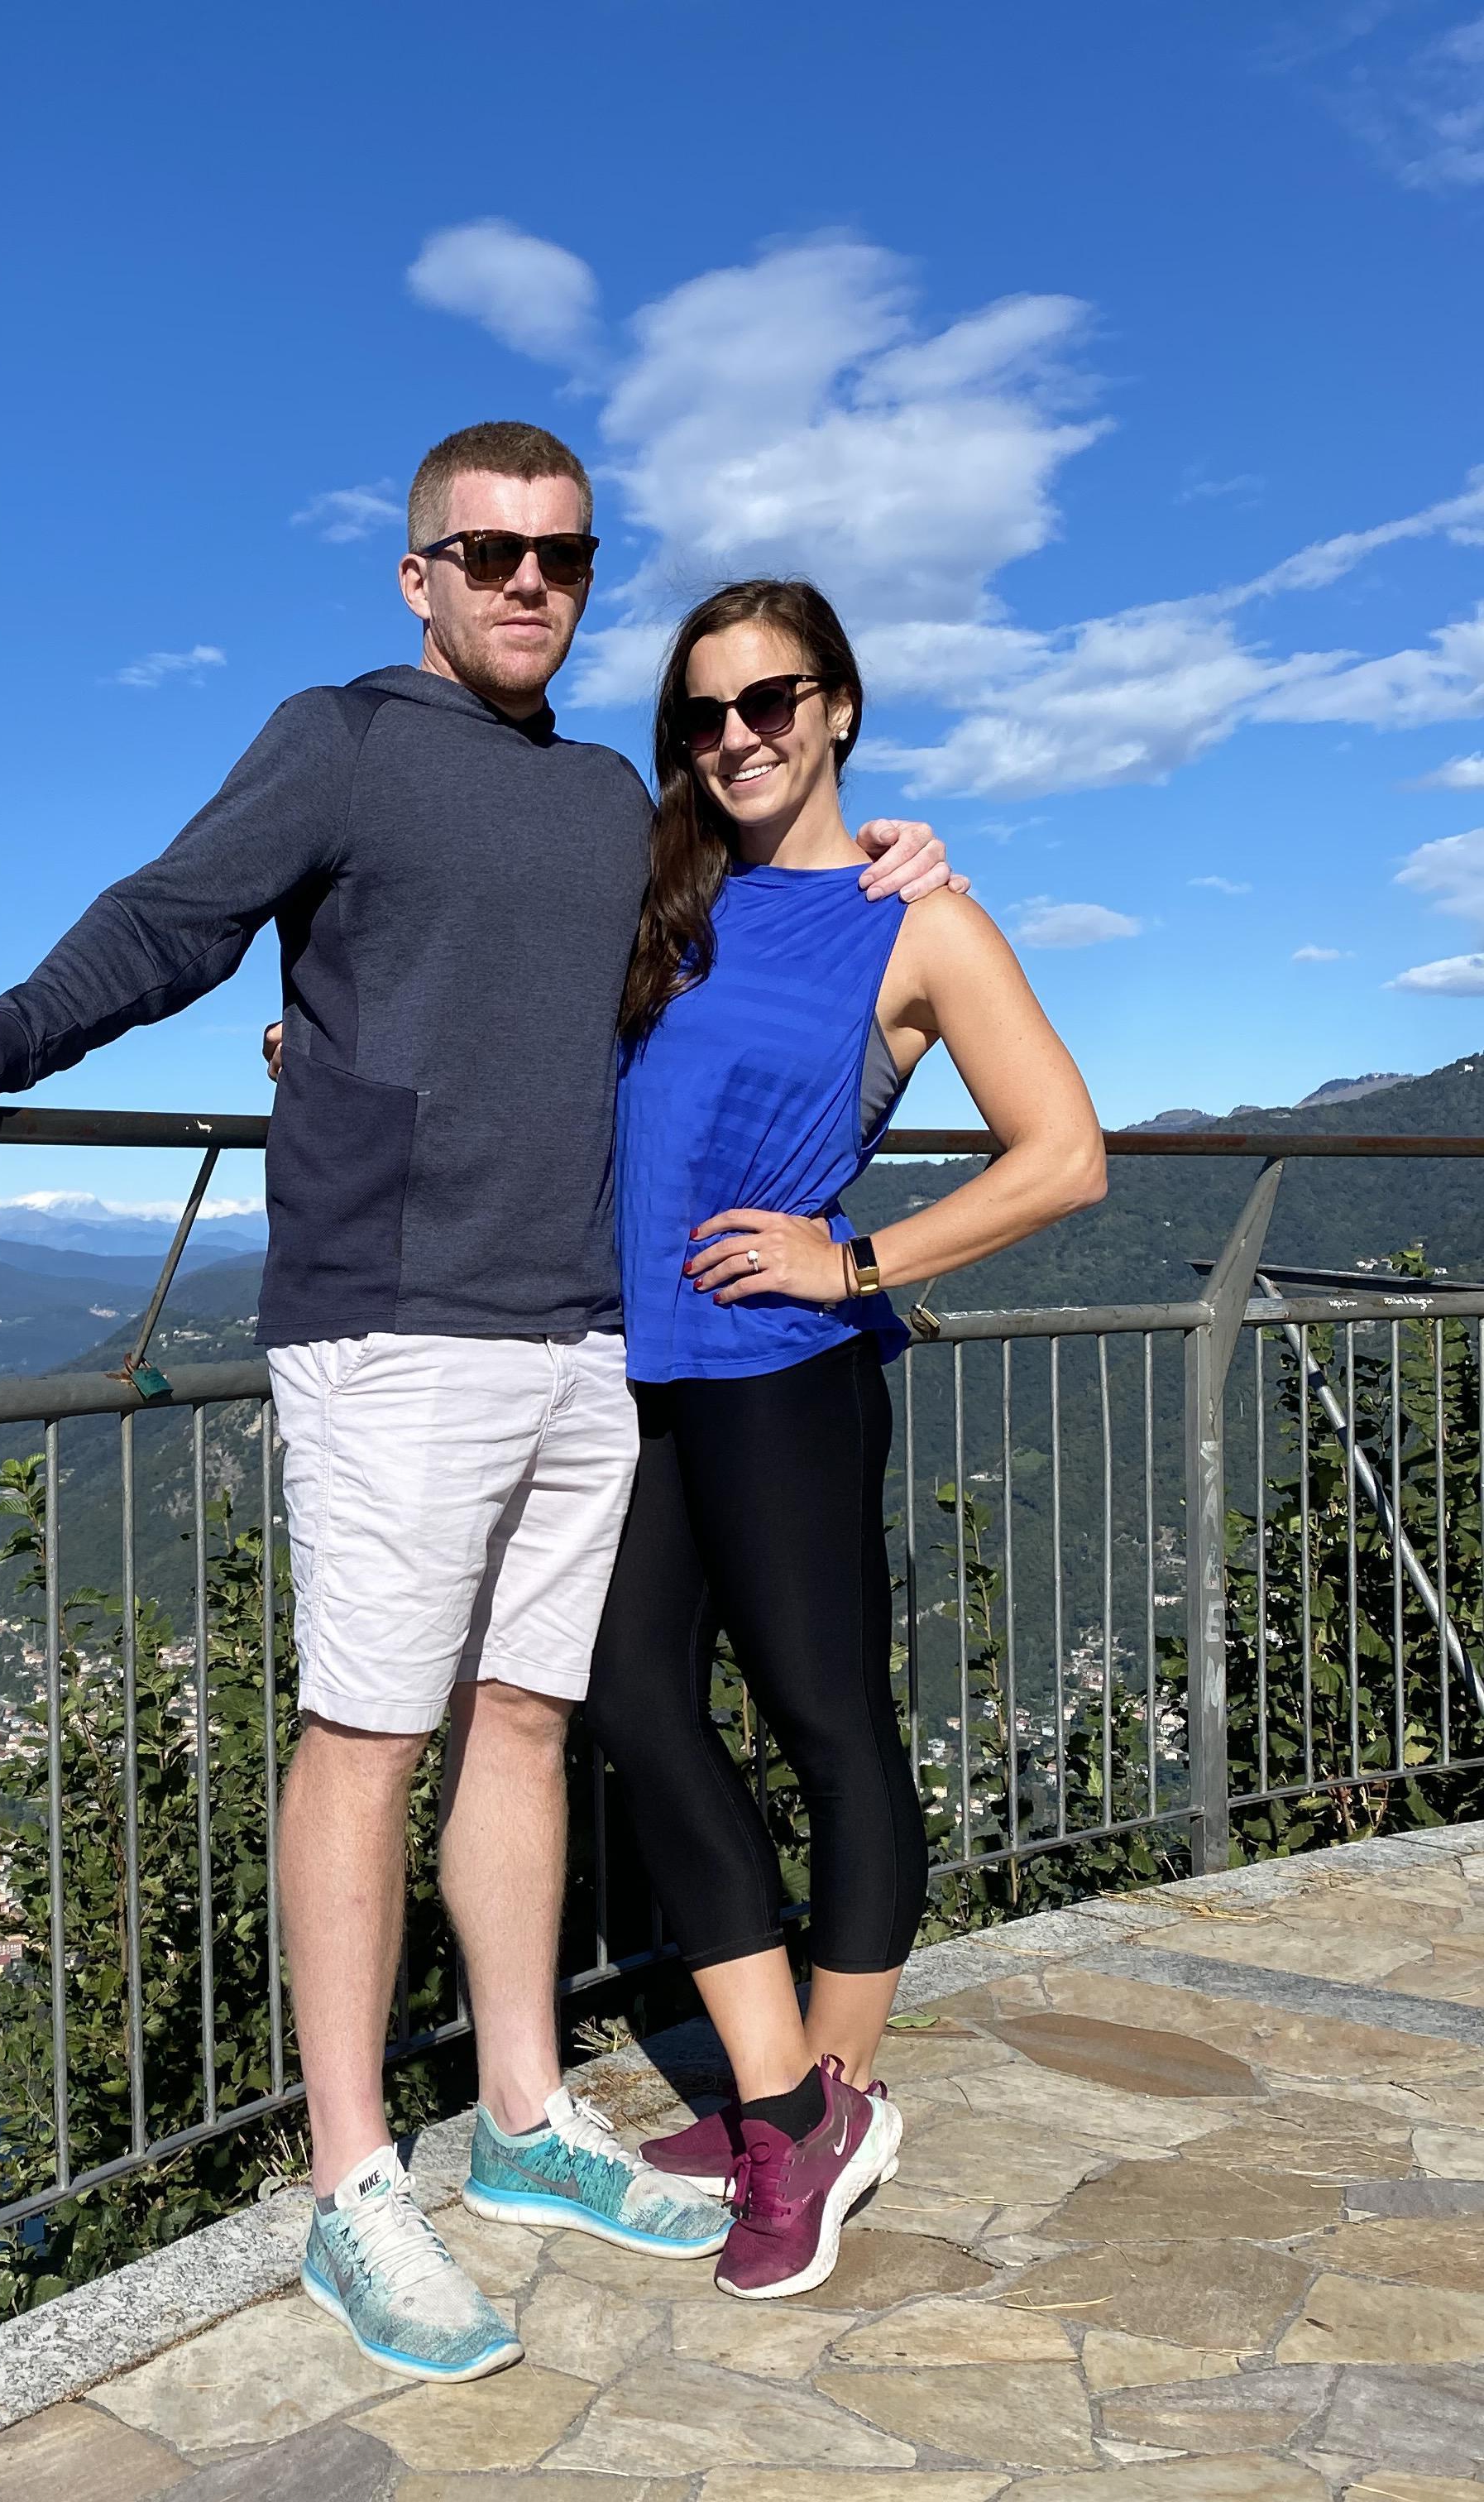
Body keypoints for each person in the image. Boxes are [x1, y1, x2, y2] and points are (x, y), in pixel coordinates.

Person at [0, 429, 958, 2381]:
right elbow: (175, 914)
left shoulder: (620, 795)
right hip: (391, 1326)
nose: (531, 585)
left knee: (524, 1718)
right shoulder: (341, 739)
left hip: (582, 1329)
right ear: (417, 574)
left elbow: (722, 941)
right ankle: (353, 2183)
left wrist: (891, 860)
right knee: (365, 1734)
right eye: (490, 553)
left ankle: (522, 2122)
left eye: (565, 559)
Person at [584, 578, 1106, 2303]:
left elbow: (1063, 1159)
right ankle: (776, 2097)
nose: (740, 736)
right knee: (637, 1705)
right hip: (644, 1370)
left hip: (790, 1374)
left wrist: (856, 1255)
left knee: (826, 1729)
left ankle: (831, 2106)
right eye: (709, 715)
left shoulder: (920, 920)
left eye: (774, 702)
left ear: (841, 709)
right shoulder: (669, 898)